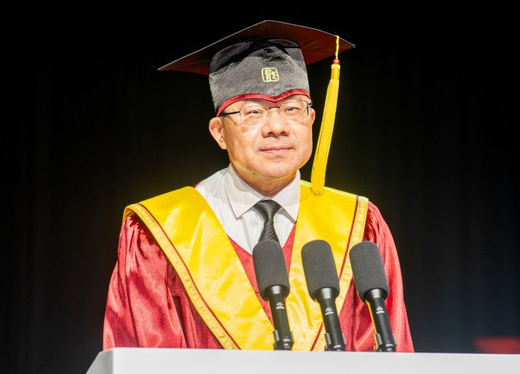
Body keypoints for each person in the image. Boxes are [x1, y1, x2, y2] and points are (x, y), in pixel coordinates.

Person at [102, 20, 414, 352]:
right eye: (254, 112)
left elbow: (388, 358)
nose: (277, 126)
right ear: (219, 133)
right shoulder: (161, 232)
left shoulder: (359, 225)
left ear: (311, 120)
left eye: (293, 108)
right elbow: (146, 370)